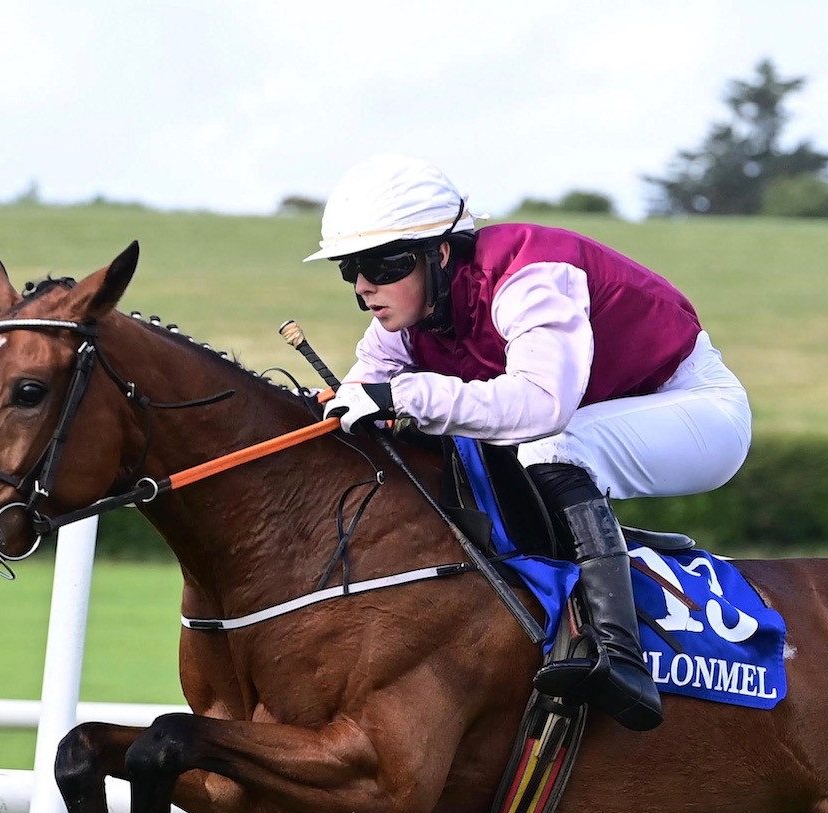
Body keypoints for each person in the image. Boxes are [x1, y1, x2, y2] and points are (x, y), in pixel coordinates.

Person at [314, 154, 751, 732]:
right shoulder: (406, 317)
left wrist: (406, 398)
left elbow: (542, 406)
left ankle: (620, 660)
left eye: (382, 264)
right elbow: (364, 394)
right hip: (597, 420)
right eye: (350, 269)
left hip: (700, 412)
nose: (366, 286)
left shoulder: (532, 274)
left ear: (441, 251)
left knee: (552, 445)